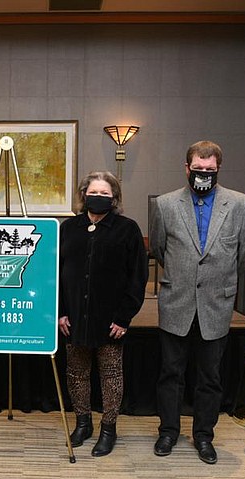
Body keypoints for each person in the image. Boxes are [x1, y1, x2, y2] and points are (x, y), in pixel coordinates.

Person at [150, 140, 245, 465]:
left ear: (218, 170)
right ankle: (168, 431)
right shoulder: (165, 205)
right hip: (176, 302)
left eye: (210, 170)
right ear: (187, 168)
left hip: (216, 305)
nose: (204, 174)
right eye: (198, 169)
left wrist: (215, 279)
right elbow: (158, 249)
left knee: (210, 377)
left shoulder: (242, 206)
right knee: (171, 373)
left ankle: (203, 436)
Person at [59, 171, 148, 457]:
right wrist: (61, 312)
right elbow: (56, 275)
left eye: (104, 194)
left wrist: (124, 317)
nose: (97, 198)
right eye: (93, 192)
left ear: (114, 198)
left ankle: (108, 429)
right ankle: (82, 423)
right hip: (74, 316)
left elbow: (138, 277)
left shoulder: (128, 229)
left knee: (111, 376)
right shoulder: (68, 228)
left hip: (111, 319)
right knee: (76, 373)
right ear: (84, 195)